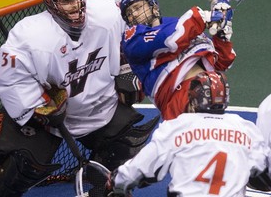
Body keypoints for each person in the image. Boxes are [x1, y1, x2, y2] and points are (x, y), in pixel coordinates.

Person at [0, 0, 159, 196]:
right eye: (65, 0)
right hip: (49, 122)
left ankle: (103, 189)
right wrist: (38, 105)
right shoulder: (30, 36)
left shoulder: (104, 11)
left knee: (124, 146)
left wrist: (126, 68)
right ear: (51, 2)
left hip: (99, 106)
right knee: (15, 169)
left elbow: (129, 33)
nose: (74, 5)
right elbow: (7, 77)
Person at [105, 71, 270, 196]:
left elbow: (140, 169)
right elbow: (264, 177)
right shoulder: (246, 129)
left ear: (193, 98)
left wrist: (115, 181)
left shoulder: (176, 128)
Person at [118, 0, 238, 120]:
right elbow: (171, 39)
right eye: (129, 13)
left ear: (154, 7)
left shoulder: (184, 27)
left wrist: (222, 37)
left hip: (211, 94)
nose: (133, 14)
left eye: (137, 7)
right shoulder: (132, 38)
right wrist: (203, 16)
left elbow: (221, 63)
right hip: (178, 98)